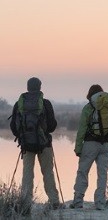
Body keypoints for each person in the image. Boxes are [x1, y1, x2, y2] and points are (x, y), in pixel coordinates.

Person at [10, 77, 62, 212]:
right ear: (40, 87)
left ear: (27, 87)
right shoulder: (45, 103)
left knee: (27, 174)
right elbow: (52, 126)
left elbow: (13, 127)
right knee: (48, 172)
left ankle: (26, 202)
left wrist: (23, 135)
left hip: (26, 145)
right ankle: (54, 201)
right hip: (44, 144)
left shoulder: (19, 103)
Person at [70, 84, 108, 210]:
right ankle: (100, 203)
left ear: (90, 95)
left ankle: (78, 202)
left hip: (90, 144)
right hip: (106, 145)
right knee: (102, 174)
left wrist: (78, 148)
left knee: (83, 172)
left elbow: (82, 129)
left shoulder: (88, 107)